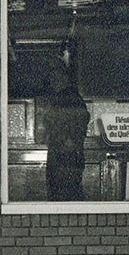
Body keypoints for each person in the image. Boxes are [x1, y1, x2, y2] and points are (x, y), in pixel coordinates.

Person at [43, 71, 90, 201]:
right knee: (69, 190)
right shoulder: (70, 96)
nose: (52, 81)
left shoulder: (66, 97)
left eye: (54, 77)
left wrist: (69, 139)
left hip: (64, 152)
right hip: (66, 151)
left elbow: (78, 119)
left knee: (62, 190)